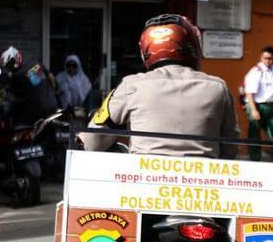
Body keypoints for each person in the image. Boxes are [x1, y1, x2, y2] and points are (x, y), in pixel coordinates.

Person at [81, 14, 240, 159]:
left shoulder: (131, 86)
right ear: (192, 46)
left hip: (144, 183)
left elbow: (93, 142)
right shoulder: (218, 88)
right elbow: (230, 149)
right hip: (202, 185)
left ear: (146, 50)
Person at [243, 46, 273, 162]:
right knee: (254, 135)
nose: (268, 61)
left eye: (271, 58)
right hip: (256, 105)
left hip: (270, 106)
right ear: (261, 57)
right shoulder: (256, 71)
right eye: (265, 58)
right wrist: (254, 110)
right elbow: (249, 92)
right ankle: (255, 161)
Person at [0, 46, 59, 128]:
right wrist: (52, 93)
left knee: (16, 128)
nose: (9, 68)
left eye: (9, 65)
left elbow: (11, 97)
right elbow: (51, 79)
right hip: (52, 106)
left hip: (35, 112)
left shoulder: (16, 76)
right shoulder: (34, 65)